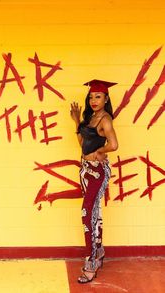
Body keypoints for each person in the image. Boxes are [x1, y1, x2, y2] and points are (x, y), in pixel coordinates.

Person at [70, 79, 118, 284]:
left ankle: (90, 263)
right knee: (94, 212)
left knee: (87, 213)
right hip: (86, 170)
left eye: (98, 96)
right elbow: (83, 144)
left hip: (97, 172)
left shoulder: (105, 119)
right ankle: (98, 252)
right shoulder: (90, 118)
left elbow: (114, 145)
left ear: (106, 98)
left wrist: (100, 151)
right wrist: (76, 122)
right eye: (91, 96)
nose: (93, 100)